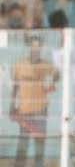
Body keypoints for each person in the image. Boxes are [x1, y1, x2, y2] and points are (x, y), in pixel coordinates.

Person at [10, 35, 59, 167]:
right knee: (23, 143)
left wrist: (54, 78)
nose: (35, 49)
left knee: (39, 144)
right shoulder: (19, 64)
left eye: (38, 46)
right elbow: (15, 86)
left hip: (40, 110)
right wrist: (11, 106)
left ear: (41, 48)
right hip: (24, 110)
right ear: (29, 47)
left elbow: (56, 77)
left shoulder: (46, 65)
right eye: (33, 46)